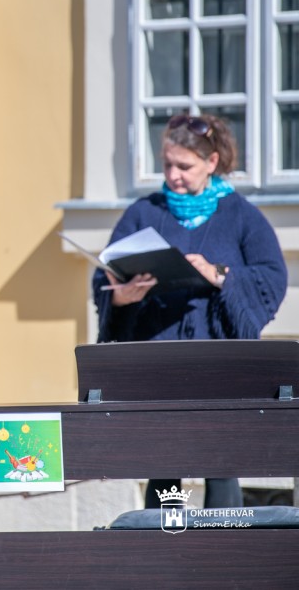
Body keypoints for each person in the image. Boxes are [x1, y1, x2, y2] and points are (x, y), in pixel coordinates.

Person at [92, 113, 287, 509]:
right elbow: (104, 278)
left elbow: (271, 278)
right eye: (167, 165)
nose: (173, 175)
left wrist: (219, 275)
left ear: (211, 162)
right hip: (158, 367)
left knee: (222, 464)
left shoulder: (242, 215)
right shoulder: (143, 213)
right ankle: (164, 541)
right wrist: (122, 297)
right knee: (164, 464)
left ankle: (224, 541)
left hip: (220, 368)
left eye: (184, 166)